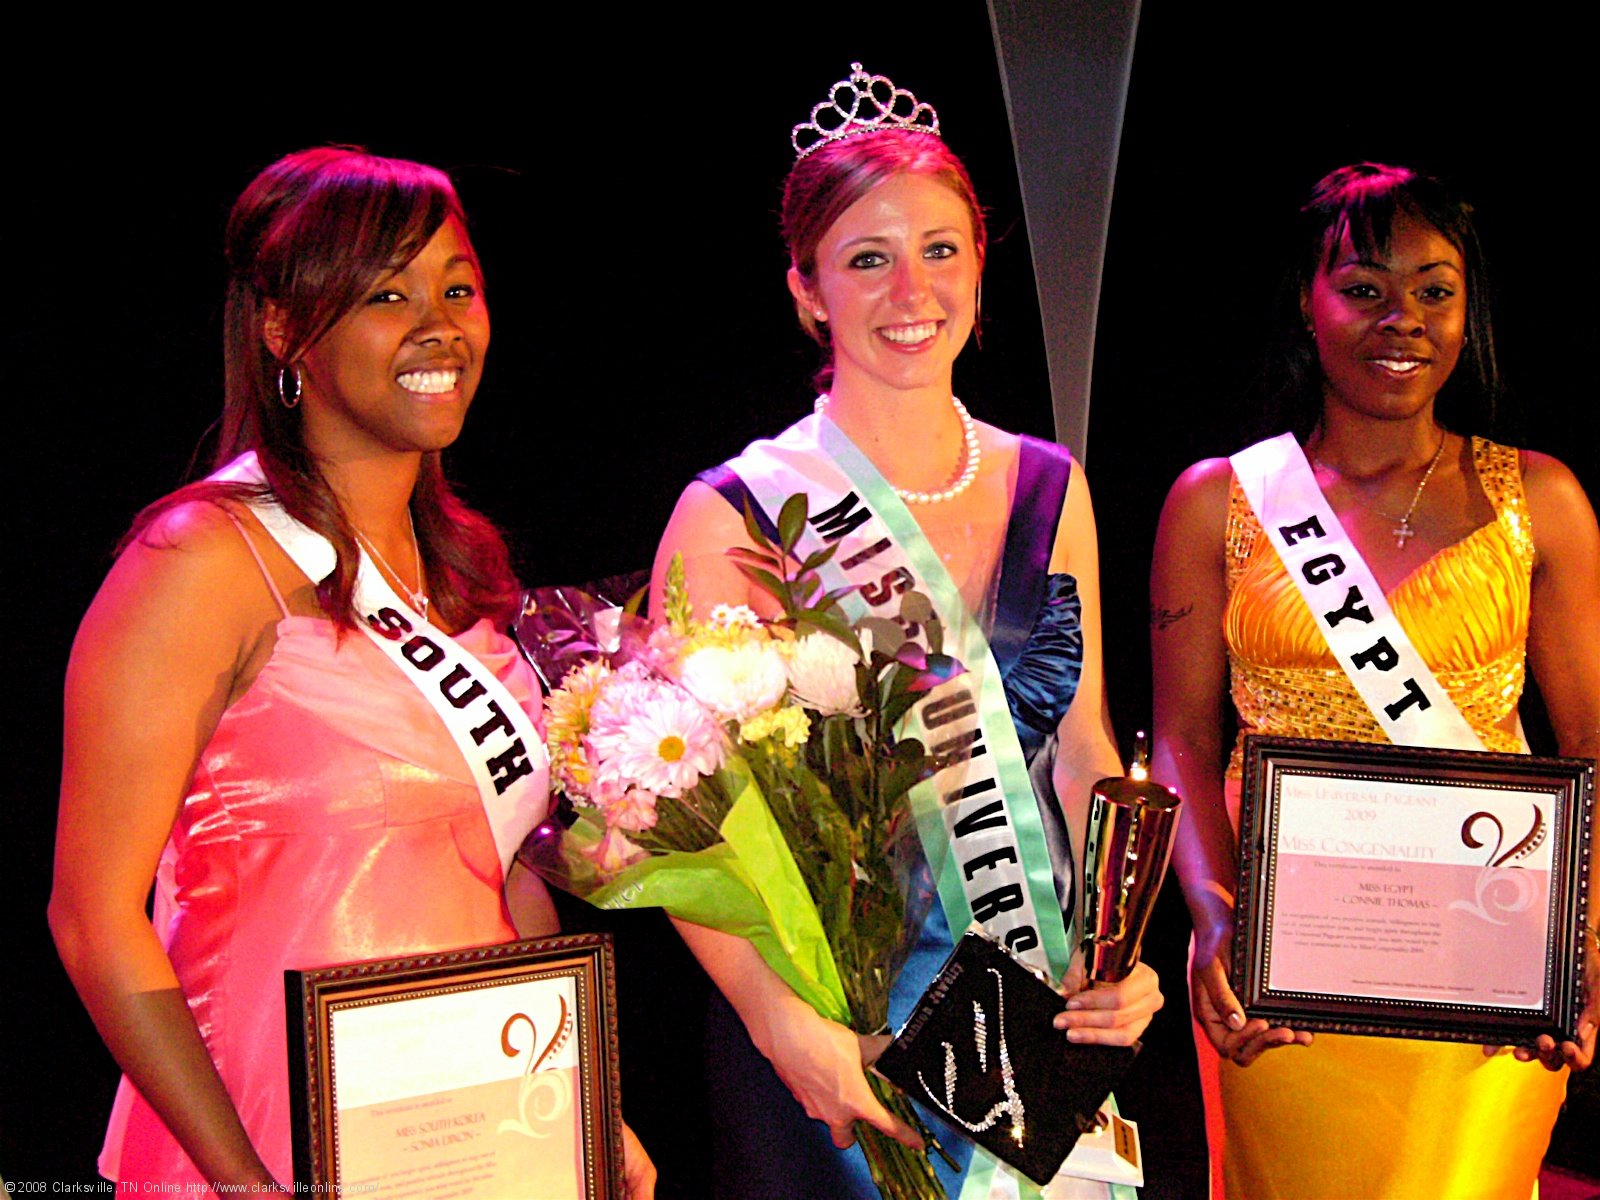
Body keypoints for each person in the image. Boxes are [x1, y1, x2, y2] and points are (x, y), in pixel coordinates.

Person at [49, 147, 654, 1197]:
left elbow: (503, 874)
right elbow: (92, 913)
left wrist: (588, 1110)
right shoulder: (199, 562)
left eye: (456, 289)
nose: (440, 325)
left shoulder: (465, 572)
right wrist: (241, 1180)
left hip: (478, 1129)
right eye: (386, 295)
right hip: (261, 1127)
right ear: (286, 330)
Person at [650, 65, 1162, 1198]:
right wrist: (784, 1028)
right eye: (866, 259)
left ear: (980, 264)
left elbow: (1077, 745)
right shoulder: (738, 510)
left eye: (939, 249)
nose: (910, 289)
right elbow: (672, 823)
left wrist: (1114, 957)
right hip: (845, 1037)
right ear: (807, 291)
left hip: (1032, 1009)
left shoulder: (1048, 484)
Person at [1150, 162, 1599, 1199]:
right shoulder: (1214, 502)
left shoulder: (1543, 500)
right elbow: (1180, 740)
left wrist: (1577, 939)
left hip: (1484, 962)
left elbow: (1585, 747)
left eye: (1433, 291)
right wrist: (1218, 919)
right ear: (1306, 308)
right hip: (1278, 975)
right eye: (1363, 289)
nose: (1402, 319)